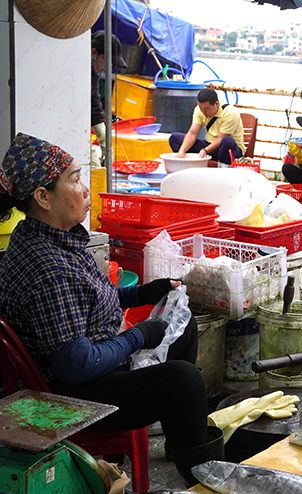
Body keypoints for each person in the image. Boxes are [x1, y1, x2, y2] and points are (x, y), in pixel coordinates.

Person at [0, 133, 222, 486]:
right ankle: (205, 479)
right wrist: (137, 336)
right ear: (43, 197)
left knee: (185, 326)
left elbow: (86, 301)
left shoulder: (46, 236)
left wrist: (141, 295)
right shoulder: (49, 269)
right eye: (73, 180)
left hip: (90, 367)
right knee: (184, 381)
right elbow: (76, 366)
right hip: (69, 396)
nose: (85, 189)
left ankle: (182, 435)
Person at [169, 88, 245, 166]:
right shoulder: (199, 110)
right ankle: (186, 165)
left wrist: (205, 150)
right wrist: (181, 152)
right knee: (175, 138)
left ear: (216, 104)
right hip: (210, 147)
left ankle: (223, 170)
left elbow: (221, 138)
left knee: (227, 141)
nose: (203, 111)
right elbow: (192, 134)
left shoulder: (230, 113)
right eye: (201, 108)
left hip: (229, 149)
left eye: (206, 109)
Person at [91, 31, 127, 167]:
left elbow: (94, 100)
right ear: (93, 52)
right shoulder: (78, 69)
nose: (108, 67)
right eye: (106, 60)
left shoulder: (94, 71)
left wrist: (103, 136)